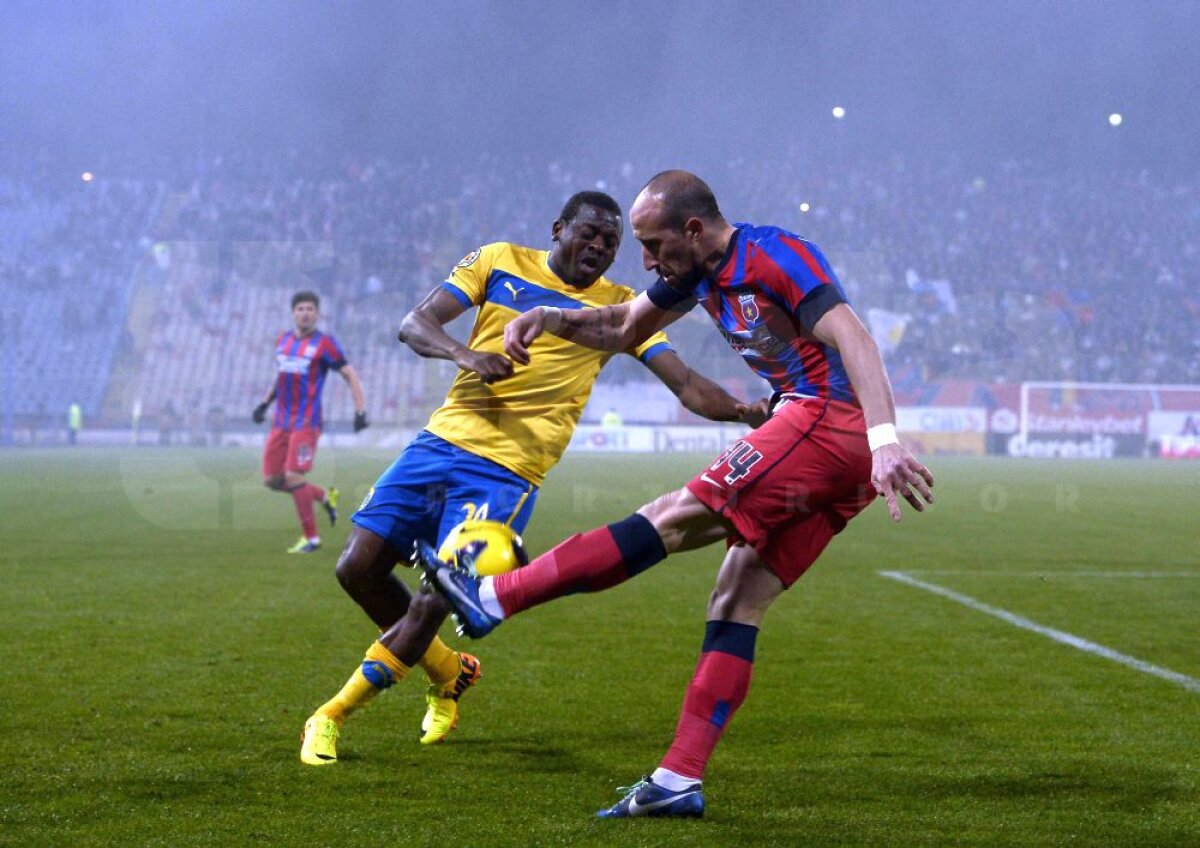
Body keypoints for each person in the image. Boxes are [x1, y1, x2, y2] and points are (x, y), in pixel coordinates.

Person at [416, 171, 935, 818]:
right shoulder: (694, 274)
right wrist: (550, 316)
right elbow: (622, 327)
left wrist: (885, 437)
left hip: (828, 421)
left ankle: (493, 596)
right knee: (737, 598)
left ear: (693, 229)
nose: (647, 260)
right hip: (839, 455)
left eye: (653, 243)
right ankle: (677, 780)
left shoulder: (774, 255)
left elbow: (853, 335)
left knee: (672, 516)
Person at [300, 190, 765, 765]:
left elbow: (687, 384)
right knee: (357, 567)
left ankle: (330, 716)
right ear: (558, 229)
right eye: (589, 233)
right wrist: (464, 355)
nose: (599, 247)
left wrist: (743, 411)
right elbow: (415, 324)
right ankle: (449, 670)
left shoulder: (620, 309)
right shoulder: (498, 261)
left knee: (433, 599)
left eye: (612, 242)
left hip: (506, 474)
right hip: (438, 443)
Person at [253, 290, 369, 553]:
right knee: (272, 479)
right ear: (293, 313)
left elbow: (350, 375)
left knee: (293, 475)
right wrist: (263, 404)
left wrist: (360, 410)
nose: (305, 313)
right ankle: (324, 496)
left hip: (307, 422)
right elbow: (280, 378)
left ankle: (312, 539)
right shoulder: (282, 341)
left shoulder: (325, 344)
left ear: (317, 314)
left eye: (310, 309)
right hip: (280, 422)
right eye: (301, 309)